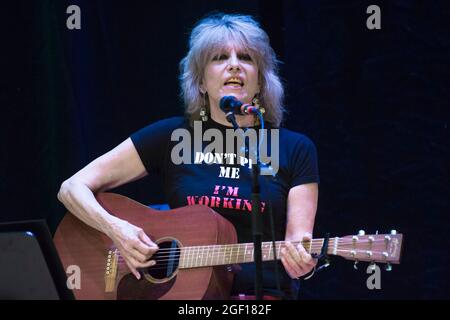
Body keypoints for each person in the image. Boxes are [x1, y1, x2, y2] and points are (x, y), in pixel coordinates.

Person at [57, 13, 319, 300]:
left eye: (246, 57)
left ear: (260, 82)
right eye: (219, 58)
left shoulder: (294, 148)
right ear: (201, 82)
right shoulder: (172, 136)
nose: (234, 65)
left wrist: (302, 264)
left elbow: (298, 248)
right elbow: (71, 188)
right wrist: (117, 230)